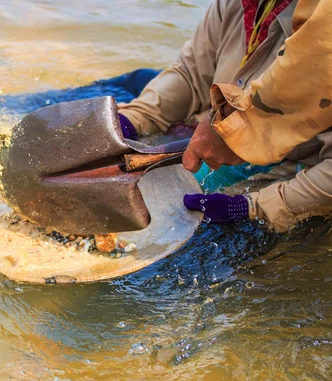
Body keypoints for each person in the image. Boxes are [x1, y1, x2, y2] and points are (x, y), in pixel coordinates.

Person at [117, 0, 332, 231]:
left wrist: (249, 207)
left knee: (191, 230)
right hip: (217, 124)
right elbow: (191, 74)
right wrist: (133, 118)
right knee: (125, 84)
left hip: (297, 164)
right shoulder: (237, 5)